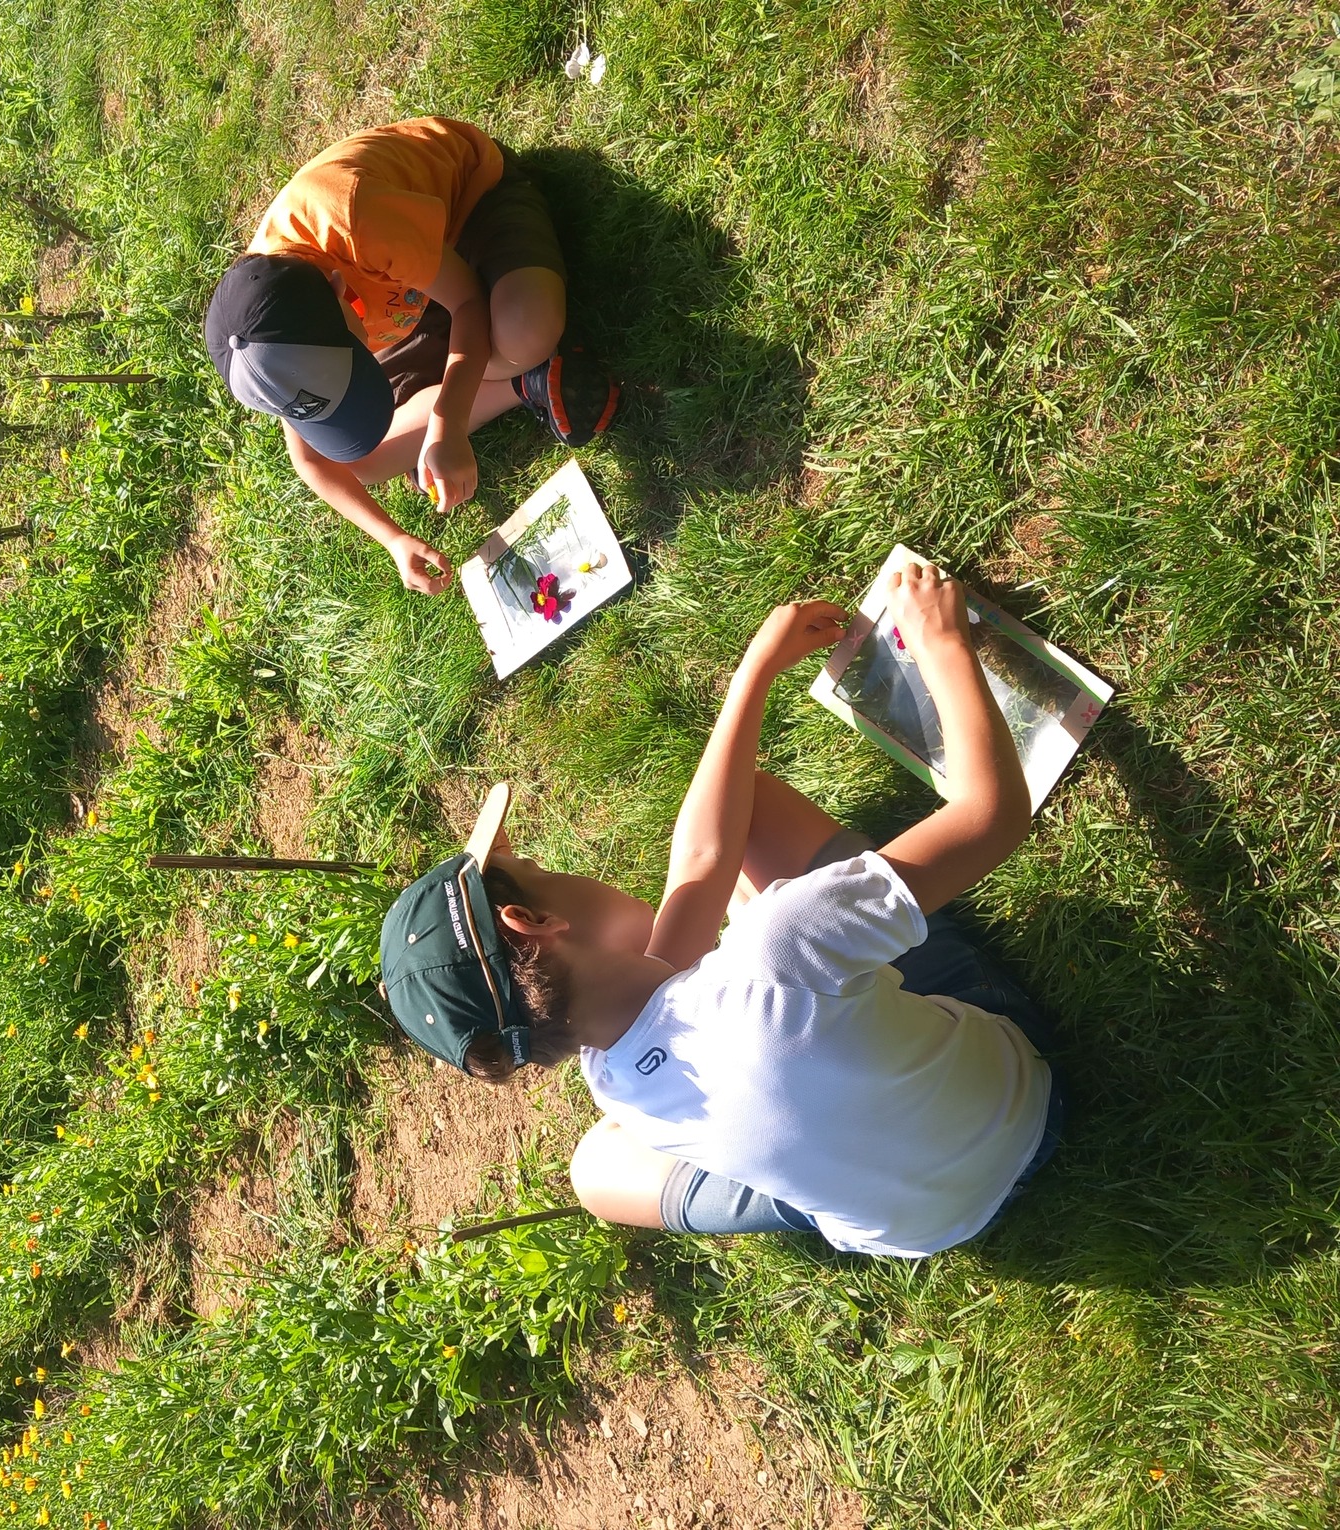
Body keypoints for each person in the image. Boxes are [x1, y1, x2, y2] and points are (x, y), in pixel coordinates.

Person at [376, 557, 1063, 1257]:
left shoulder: (613, 1081)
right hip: (1026, 1101)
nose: (556, 865)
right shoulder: (782, 943)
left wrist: (756, 672)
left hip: (923, 1228)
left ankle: (820, 1174)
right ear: (532, 922)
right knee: (758, 818)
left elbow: (703, 863)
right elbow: (991, 816)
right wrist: (940, 640)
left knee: (594, 1171)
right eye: (538, 868)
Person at [205, 117, 619, 597]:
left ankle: (517, 367)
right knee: (362, 459)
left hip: (466, 214)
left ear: (341, 291)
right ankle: (524, 385)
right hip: (407, 301)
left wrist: (445, 425)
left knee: (527, 329)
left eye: (357, 361)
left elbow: (465, 302)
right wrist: (393, 539)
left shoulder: (352, 218)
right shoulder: (276, 340)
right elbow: (311, 461)